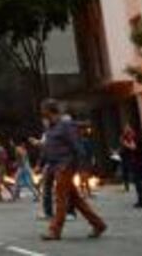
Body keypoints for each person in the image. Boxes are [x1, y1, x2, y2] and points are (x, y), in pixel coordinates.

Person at [39, 99, 106, 241]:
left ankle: (55, 230)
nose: (41, 112)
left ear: (49, 110)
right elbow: (49, 148)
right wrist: (42, 164)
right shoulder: (51, 127)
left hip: (65, 166)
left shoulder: (65, 125)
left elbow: (78, 147)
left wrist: (81, 168)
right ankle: (98, 224)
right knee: (76, 200)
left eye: (43, 109)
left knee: (60, 198)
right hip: (55, 166)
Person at [120, 124, 142, 208]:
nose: (127, 134)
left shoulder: (137, 139)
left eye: (128, 132)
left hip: (139, 163)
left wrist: (125, 144)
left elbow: (134, 148)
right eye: (126, 132)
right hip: (140, 163)